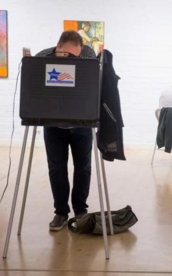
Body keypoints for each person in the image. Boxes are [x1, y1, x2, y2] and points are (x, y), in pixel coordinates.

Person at [36, 30, 96, 231]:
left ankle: (80, 210)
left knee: (83, 167)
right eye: (67, 55)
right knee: (56, 168)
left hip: (81, 124)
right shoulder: (42, 57)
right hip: (53, 124)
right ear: (58, 47)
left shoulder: (88, 55)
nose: (72, 60)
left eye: (75, 57)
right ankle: (61, 212)